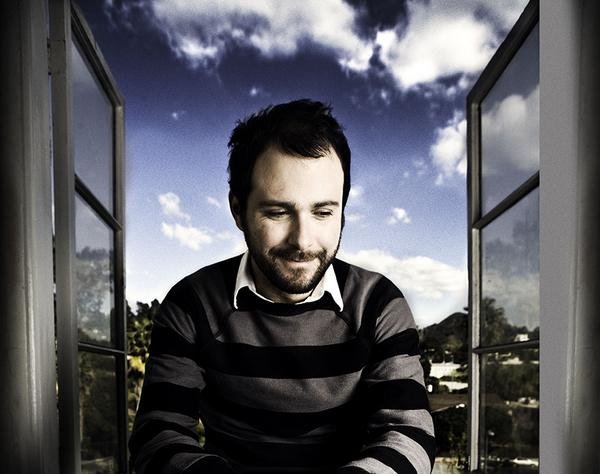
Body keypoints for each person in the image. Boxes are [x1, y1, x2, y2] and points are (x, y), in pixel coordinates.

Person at [129, 99, 435, 473]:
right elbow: (157, 435)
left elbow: (409, 434)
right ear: (238, 210)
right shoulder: (191, 303)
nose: (303, 240)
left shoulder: (379, 304)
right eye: (277, 212)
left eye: (323, 212)